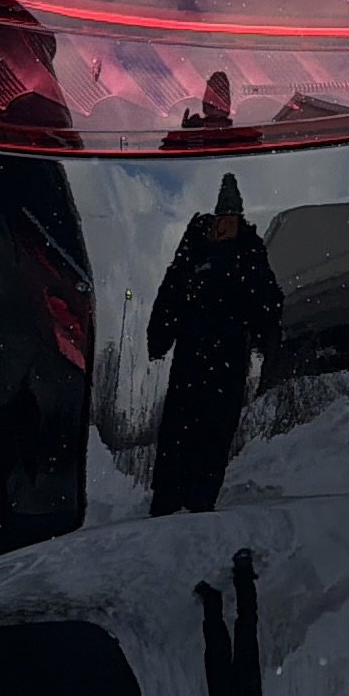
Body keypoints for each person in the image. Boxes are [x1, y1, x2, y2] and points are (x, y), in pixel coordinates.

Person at [144, 172, 280, 515]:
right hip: (190, 355)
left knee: (216, 431)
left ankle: (200, 502)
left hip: (230, 359)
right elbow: (170, 292)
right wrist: (159, 337)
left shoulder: (249, 252)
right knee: (177, 429)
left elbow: (267, 301)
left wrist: (268, 341)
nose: (225, 227)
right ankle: (165, 502)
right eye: (222, 219)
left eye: (232, 220)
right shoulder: (194, 249)